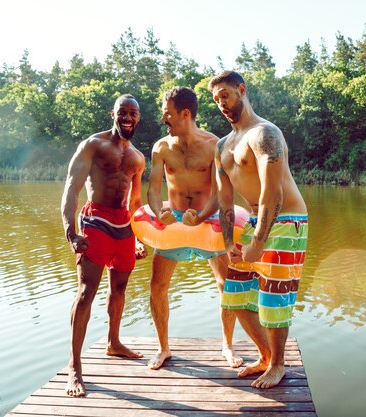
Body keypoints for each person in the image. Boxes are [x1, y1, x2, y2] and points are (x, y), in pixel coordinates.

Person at [208, 71, 309, 389]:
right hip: (252, 221)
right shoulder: (222, 145)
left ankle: (278, 365)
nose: (221, 103)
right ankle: (266, 356)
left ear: (241, 89)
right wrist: (228, 242)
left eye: (225, 94)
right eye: (215, 99)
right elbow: (224, 200)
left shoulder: (265, 133)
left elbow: (273, 192)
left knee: (273, 300)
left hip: (287, 221)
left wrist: (260, 241)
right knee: (235, 299)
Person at [146, 86, 242, 370]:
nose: (164, 119)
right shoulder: (161, 147)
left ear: (185, 114)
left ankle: (227, 345)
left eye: (168, 114)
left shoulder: (215, 145)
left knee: (227, 284)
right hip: (173, 222)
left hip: (207, 220)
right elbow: (152, 189)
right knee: (157, 286)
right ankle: (163, 348)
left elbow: (220, 194)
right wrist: (158, 211)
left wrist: (201, 217)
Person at [60, 94, 148, 397]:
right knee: (86, 293)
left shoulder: (138, 157)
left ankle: (113, 343)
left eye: (133, 113)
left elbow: (136, 201)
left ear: (138, 119)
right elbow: (70, 189)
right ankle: (74, 367)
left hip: (124, 225)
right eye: (122, 112)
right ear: (113, 114)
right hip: (96, 222)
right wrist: (71, 233)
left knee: (120, 289)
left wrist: (139, 237)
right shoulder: (93, 145)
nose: (127, 117)